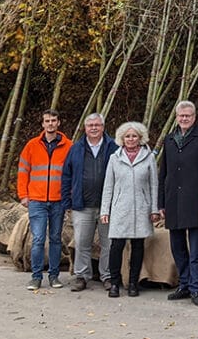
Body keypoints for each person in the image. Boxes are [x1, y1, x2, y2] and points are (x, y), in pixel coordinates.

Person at [157, 100, 198, 306]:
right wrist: (161, 202)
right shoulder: (170, 139)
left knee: (195, 248)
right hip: (173, 200)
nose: (184, 119)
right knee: (177, 246)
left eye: (188, 116)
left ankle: (195, 288)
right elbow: (163, 172)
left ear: (194, 117)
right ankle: (183, 284)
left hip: (196, 200)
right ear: (176, 117)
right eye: (181, 116)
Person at [99, 121, 160, 298]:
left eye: (134, 136)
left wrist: (154, 209)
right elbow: (108, 186)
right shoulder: (114, 158)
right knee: (116, 246)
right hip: (120, 208)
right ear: (122, 139)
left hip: (141, 208)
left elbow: (153, 185)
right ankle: (115, 283)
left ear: (140, 138)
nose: (131, 139)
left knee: (138, 246)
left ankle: (133, 283)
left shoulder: (148, 158)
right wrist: (105, 211)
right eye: (127, 136)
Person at [61, 113, 117, 292]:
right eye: (90, 125)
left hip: (106, 206)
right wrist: (67, 201)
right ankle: (82, 276)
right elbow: (66, 176)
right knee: (82, 242)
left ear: (103, 127)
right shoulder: (76, 148)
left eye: (97, 125)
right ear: (85, 128)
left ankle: (107, 276)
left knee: (108, 243)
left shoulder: (113, 147)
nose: (94, 128)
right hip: (82, 205)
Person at [17, 109, 72, 291]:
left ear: (59, 123)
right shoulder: (32, 145)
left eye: (53, 120)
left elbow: (72, 173)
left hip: (58, 200)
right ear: (42, 124)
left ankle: (54, 276)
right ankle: (36, 276)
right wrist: (23, 195)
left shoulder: (68, 146)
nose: (50, 124)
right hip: (37, 200)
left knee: (56, 238)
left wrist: (69, 195)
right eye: (47, 121)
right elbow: (23, 171)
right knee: (38, 239)